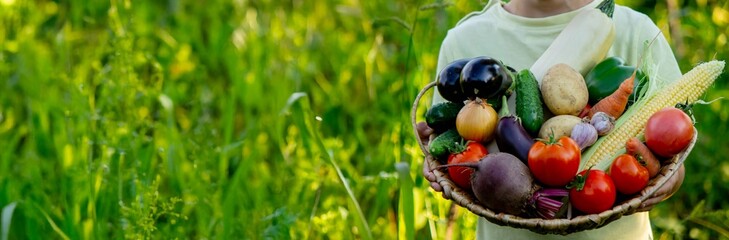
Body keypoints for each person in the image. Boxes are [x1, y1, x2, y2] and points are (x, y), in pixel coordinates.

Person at [417, 0, 686, 239]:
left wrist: (671, 180)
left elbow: (675, 152)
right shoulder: (464, 40)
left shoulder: (637, 31)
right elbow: (448, 147)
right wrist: (439, 167)